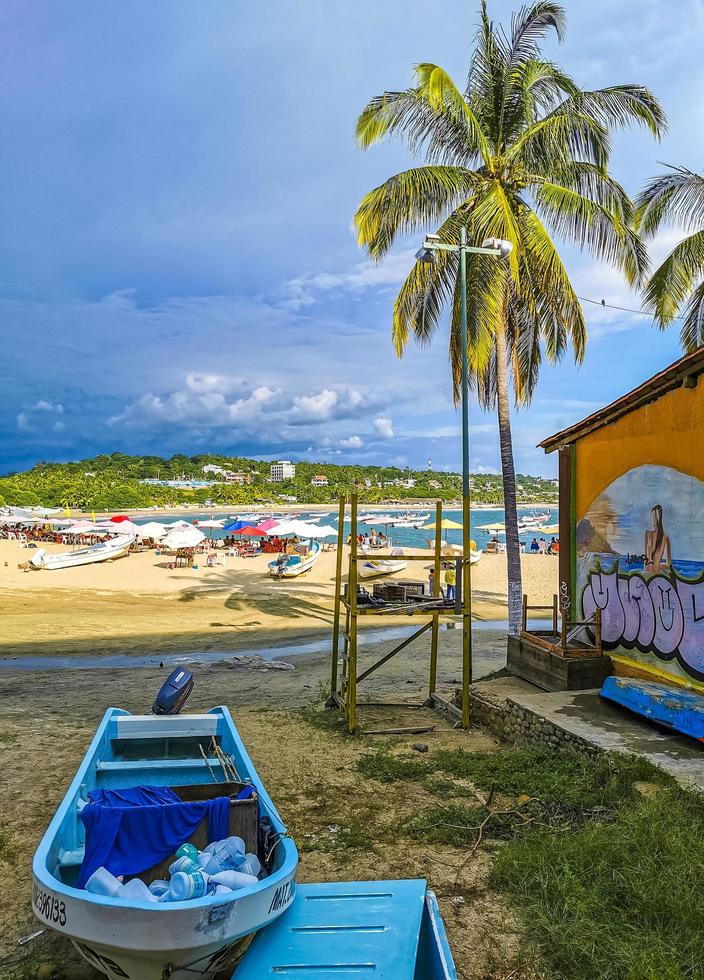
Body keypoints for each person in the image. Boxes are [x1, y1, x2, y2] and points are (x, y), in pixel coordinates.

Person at [645, 504, 671, 571]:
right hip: (651, 573)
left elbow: (669, 565)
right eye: (652, 516)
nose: (653, 519)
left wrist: (657, 565)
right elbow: (646, 560)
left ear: (659, 518)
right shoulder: (648, 533)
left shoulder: (665, 538)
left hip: (650, 573)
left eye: (654, 517)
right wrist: (657, 566)